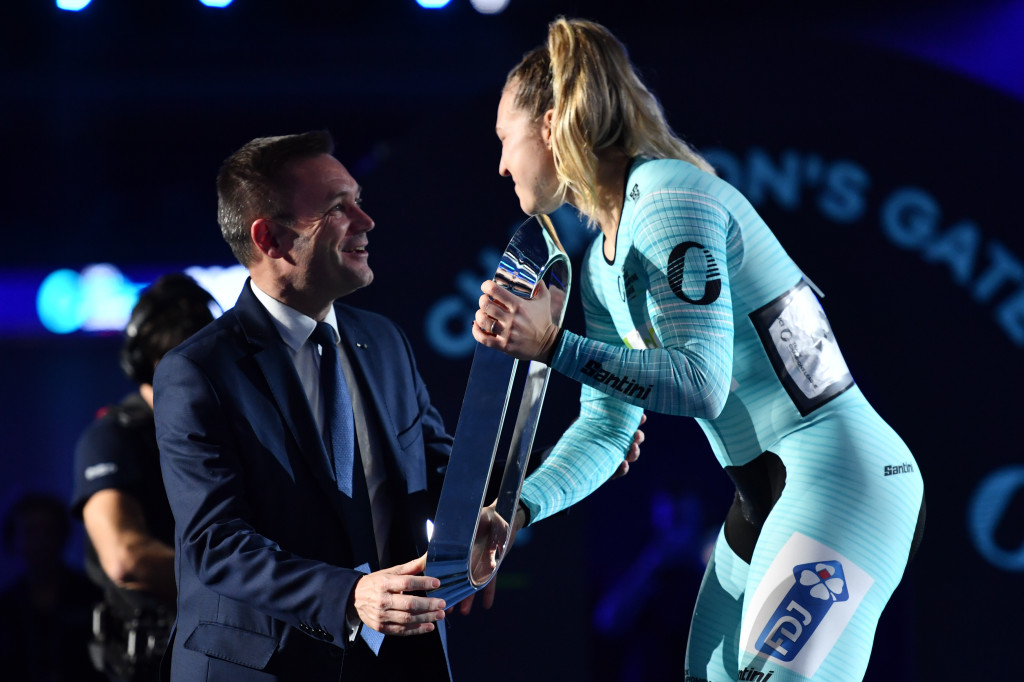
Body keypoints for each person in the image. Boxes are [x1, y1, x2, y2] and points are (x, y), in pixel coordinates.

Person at [473, 17, 925, 682]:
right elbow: (605, 428)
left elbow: (701, 383)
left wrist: (552, 345)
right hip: (765, 499)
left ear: (548, 124)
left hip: (847, 482)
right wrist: (521, 508)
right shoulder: (599, 260)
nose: (502, 163)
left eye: (504, 139)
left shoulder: (665, 199)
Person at [71, 273, 216, 681]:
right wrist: (244, 587)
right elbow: (126, 558)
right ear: (150, 363)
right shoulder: (112, 438)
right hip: (150, 662)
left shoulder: (222, 436)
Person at [0, 492, 106, 682]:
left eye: (48, 531)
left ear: (62, 535)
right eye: (30, 532)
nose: (40, 543)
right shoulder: (7, 606)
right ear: (13, 539)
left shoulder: (92, 597)